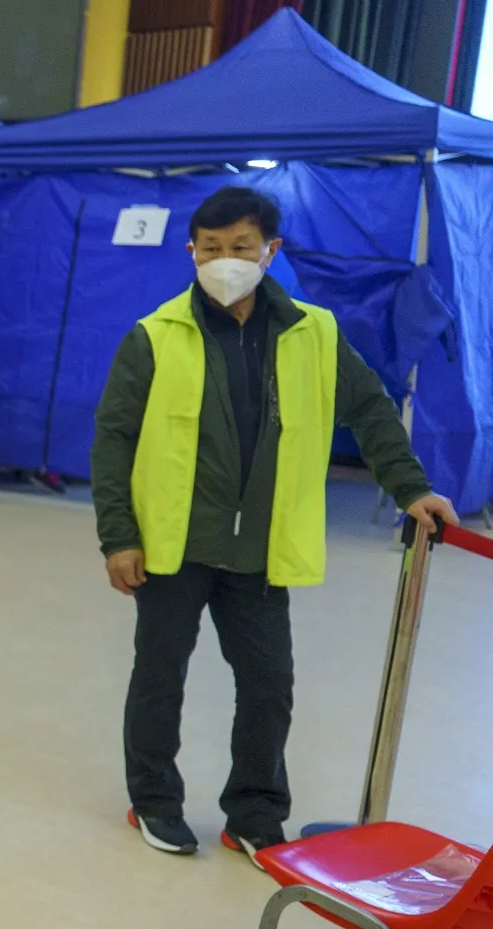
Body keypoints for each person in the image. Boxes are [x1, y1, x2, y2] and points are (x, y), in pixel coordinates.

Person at [93, 186, 458, 860]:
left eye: (239, 247)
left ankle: (255, 812)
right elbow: (113, 439)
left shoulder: (312, 333)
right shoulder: (154, 336)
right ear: (191, 252)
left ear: (270, 251)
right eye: (210, 248)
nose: (224, 260)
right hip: (174, 547)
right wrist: (119, 536)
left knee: (268, 685)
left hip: (259, 551)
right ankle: (154, 801)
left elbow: (372, 410)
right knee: (159, 677)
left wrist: (411, 488)